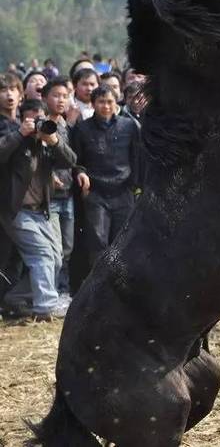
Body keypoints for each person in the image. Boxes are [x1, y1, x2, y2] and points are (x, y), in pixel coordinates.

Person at [0, 96, 77, 321]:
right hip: (16, 211)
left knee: (55, 257)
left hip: (41, 210)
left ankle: (16, 297)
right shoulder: (14, 138)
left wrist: (53, 141)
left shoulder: (46, 143)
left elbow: (70, 161)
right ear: (21, 120)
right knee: (41, 254)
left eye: (40, 119)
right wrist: (20, 134)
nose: (37, 124)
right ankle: (45, 310)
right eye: (31, 120)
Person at [69, 85, 141, 268]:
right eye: (101, 102)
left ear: (116, 102)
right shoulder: (82, 129)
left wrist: (135, 185)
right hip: (95, 192)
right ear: (93, 104)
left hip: (124, 190)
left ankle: (121, 286)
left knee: (124, 242)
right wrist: (80, 173)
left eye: (110, 102)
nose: (106, 106)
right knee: (97, 242)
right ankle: (99, 288)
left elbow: (137, 157)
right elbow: (76, 160)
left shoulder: (129, 126)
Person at [41, 77, 77, 297]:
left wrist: (80, 172)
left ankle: (63, 291)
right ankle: (52, 292)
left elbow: (76, 158)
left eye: (65, 96)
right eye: (55, 95)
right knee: (54, 249)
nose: (61, 100)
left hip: (68, 194)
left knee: (68, 249)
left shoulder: (68, 127)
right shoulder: (41, 125)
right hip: (48, 197)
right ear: (45, 97)